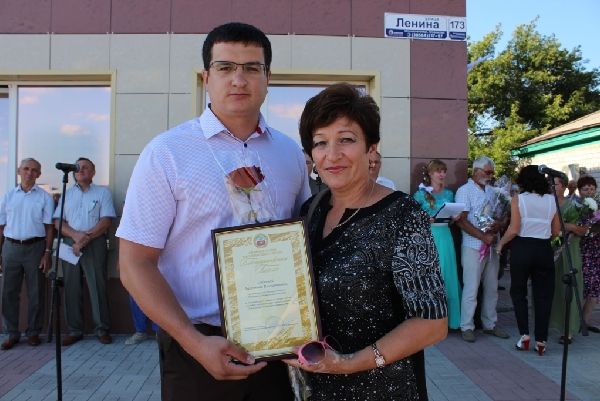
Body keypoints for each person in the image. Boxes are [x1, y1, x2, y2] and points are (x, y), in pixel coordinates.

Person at [117, 22, 310, 400]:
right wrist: (193, 342)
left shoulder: (290, 153)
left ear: (268, 78)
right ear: (206, 77)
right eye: (225, 68)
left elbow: (300, 241)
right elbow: (134, 263)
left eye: (251, 68)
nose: (239, 79)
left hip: (280, 342)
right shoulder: (166, 153)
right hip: (196, 346)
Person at [283, 83, 448, 401]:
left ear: (371, 148)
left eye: (346, 139)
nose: (332, 155)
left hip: (384, 389)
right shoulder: (310, 211)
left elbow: (432, 322)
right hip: (316, 390)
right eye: (320, 143)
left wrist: (347, 364)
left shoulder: (402, 214)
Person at [496, 165, 560, 354]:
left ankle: (524, 335)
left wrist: (501, 244)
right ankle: (541, 340)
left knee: (518, 292)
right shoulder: (552, 200)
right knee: (543, 295)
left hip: (523, 247)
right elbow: (556, 230)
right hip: (543, 247)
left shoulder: (519, 199)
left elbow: (514, 229)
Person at [54, 157, 116, 346]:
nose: (80, 171)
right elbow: (58, 222)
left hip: (94, 243)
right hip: (69, 243)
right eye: (77, 168)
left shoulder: (102, 193)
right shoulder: (67, 193)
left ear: (93, 172)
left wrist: (84, 239)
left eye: (85, 168)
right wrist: (76, 236)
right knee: (71, 287)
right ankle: (75, 330)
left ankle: (102, 329)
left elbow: (106, 220)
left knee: (97, 286)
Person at [0, 158, 55, 350]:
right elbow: (1, 226)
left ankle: (33, 332)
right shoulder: (8, 196)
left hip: (35, 247)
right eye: (25, 169)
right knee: (8, 293)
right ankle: (10, 334)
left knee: (36, 292)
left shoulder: (44, 197)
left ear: (39, 174)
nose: (29, 173)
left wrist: (47, 252)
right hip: (11, 247)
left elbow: (49, 228)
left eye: (33, 170)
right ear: (19, 171)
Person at [455, 156, 509, 343]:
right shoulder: (464, 190)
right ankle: (466, 325)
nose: (490, 176)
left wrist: (499, 225)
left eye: (492, 173)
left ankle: (490, 323)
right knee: (471, 287)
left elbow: (503, 216)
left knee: (492, 287)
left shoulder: (494, 191)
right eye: (487, 172)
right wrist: (482, 236)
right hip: (473, 246)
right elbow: (460, 220)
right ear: (476, 171)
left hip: (492, 245)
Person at [413, 159, 462, 330]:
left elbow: (452, 219)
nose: (442, 174)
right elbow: (411, 218)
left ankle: (449, 320)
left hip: (445, 235)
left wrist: (455, 218)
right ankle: (428, 319)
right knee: (430, 275)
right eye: (438, 171)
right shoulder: (420, 194)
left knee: (447, 274)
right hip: (428, 236)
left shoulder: (449, 194)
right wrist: (424, 219)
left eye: (444, 171)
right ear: (430, 173)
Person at [548, 174, 588, 344]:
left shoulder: (575, 205)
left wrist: (568, 226)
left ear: (564, 186)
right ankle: (549, 323)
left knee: (570, 287)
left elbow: (583, 230)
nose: (552, 187)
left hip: (569, 250)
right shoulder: (546, 204)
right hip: (549, 250)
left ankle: (569, 329)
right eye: (550, 184)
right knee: (551, 288)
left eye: (555, 184)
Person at [577, 175, 600, 334]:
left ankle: (586, 321)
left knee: (595, 287)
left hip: (596, 249)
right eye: (586, 189)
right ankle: (576, 320)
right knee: (585, 285)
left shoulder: (598, 205)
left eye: (592, 189)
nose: (589, 192)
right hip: (583, 249)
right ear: (580, 191)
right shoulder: (576, 206)